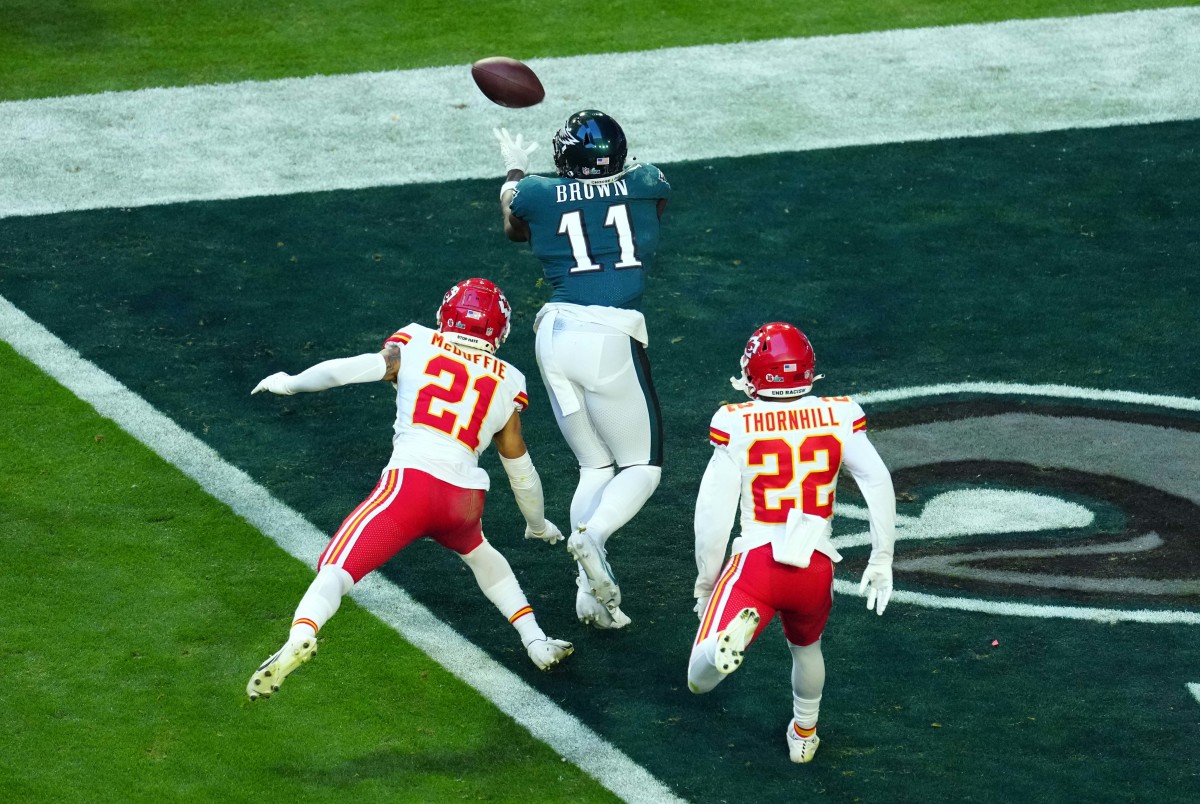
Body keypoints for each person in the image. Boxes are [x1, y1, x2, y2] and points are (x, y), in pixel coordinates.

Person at [246, 278, 573, 701]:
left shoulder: (417, 341)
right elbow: (519, 466)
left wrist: (290, 382)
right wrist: (537, 522)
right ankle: (535, 639)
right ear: (498, 329)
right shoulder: (509, 379)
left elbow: (347, 370)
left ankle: (300, 635)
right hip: (464, 499)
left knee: (336, 568)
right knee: (483, 557)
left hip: (411, 487)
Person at [492, 110, 671, 630]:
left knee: (594, 467)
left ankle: (587, 597)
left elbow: (513, 225)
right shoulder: (645, 182)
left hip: (554, 335)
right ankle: (592, 538)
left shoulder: (538, 194)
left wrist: (513, 176)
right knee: (641, 467)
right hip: (608, 335)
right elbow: (650, 195)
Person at [687, 322, 897, 764]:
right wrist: (882, 558)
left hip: (758, 564)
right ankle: (804, 734)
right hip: (816, 564)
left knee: (698, 677)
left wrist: (707, 582)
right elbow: (877, 481)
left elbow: (713, 514)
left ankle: (722, 645)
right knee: (807, 649)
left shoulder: (735, 421)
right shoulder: (839, 414)